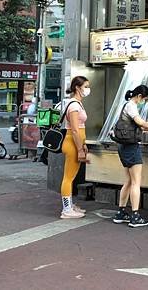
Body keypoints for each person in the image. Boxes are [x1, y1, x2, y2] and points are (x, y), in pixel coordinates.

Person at [113, 85, 148, 228]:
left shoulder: (127, 105)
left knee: (129, 181)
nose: (145, 102)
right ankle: (135, 216)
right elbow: (140, 122)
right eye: (145, 99)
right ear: (140, 97)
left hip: (123, 146)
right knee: (136, 181)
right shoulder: (131, 105)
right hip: (130, 147)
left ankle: (121, 212)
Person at [60, 76, 91, 219]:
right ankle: (66, 209)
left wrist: (82, 146)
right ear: (78, 88)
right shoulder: (73, 105)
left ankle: (70, 205)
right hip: (72, 143)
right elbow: (74, 130)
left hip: (77, 143)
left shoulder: (78, 104)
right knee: (68, 177)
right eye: (86, 86)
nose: (87, 89)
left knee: (71, 176)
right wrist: (79, 149)